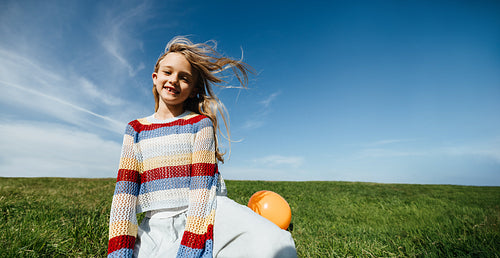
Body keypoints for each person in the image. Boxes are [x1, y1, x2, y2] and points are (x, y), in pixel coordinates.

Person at [107, 36, 297, 258]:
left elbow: (202, 189)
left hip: (208, 213)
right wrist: (119, 248)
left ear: (193, 88)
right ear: (155, 77)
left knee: (273, 243)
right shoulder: (135, 129)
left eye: (184, 77)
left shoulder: (200, 124)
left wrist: (191, 246)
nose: (174, 80)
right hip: (156, 226)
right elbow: (124, 194)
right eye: (168, 72)